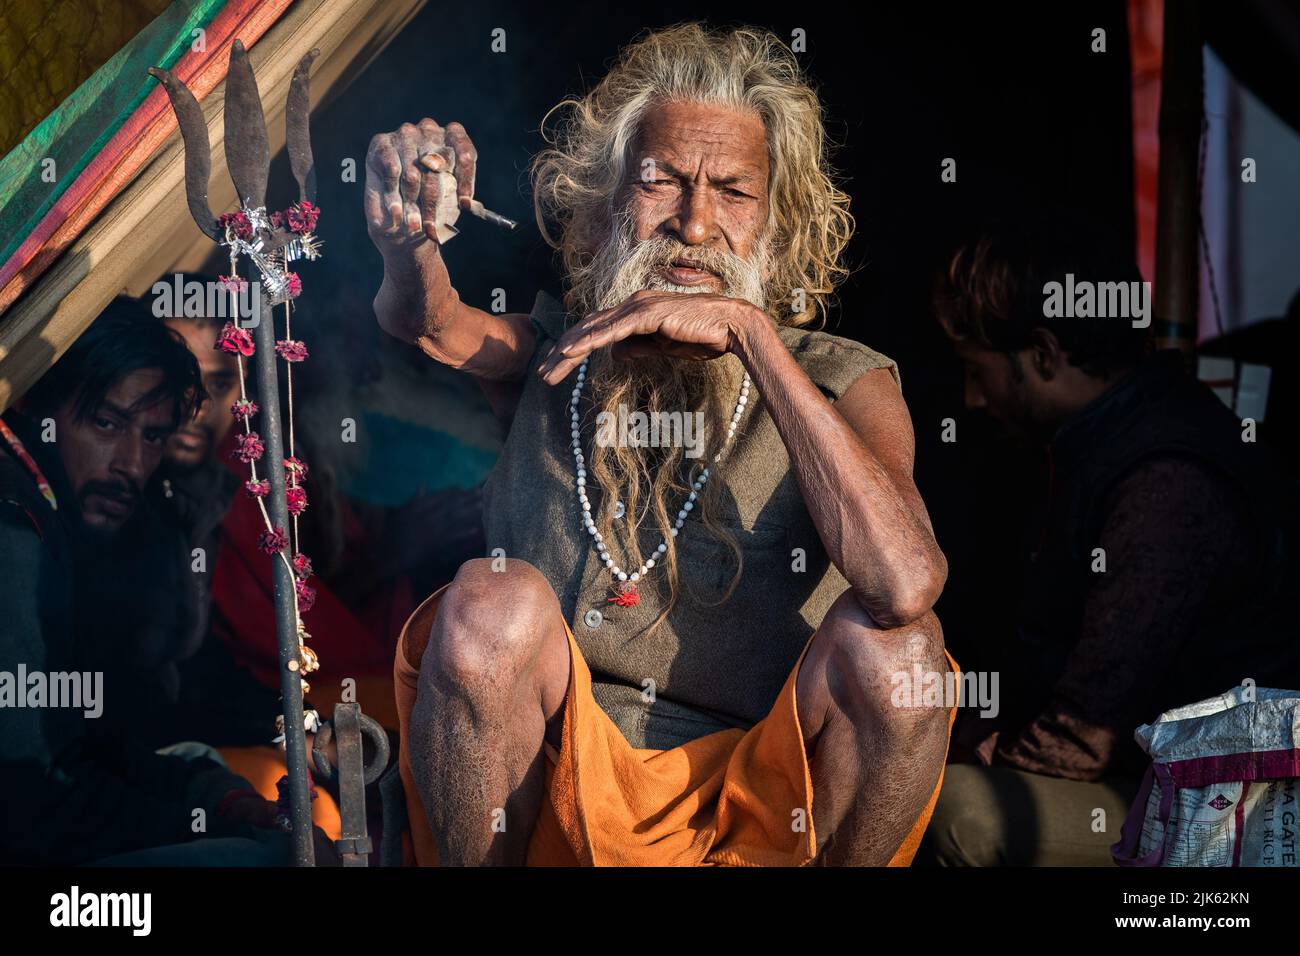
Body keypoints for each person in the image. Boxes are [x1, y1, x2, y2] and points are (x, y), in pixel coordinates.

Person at [370, 23, 957, 866]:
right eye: (660, 181)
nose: (694, 222)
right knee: (491, 603)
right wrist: (409, 239)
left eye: (734, 192)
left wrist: (752, 336)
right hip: (557, 791)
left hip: (766, 811)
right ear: (606, 205)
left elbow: (906, 584)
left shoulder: (841, 379)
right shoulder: (555, 353)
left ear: (779, 225)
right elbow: (424, 323)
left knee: (905, 660)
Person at [916, 217, 1300, 866]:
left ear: (1042, 354)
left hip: (1225, 802)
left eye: (976, 370)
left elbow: (1077, 741)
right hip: (1158, 775)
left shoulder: (1167, 481)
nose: (972, 398)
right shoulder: (1098, 445)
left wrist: (965, 752)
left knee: (957, 814)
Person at [0, 300, 299, 865]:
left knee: (206, 769)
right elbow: (36, 807)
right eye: (107, 424)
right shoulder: (16, 532)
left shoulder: (53, 517)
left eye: (154, 437)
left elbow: (80, 742)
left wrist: (210, 797)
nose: (131, 464)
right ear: (34, 403)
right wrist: (207, 828)